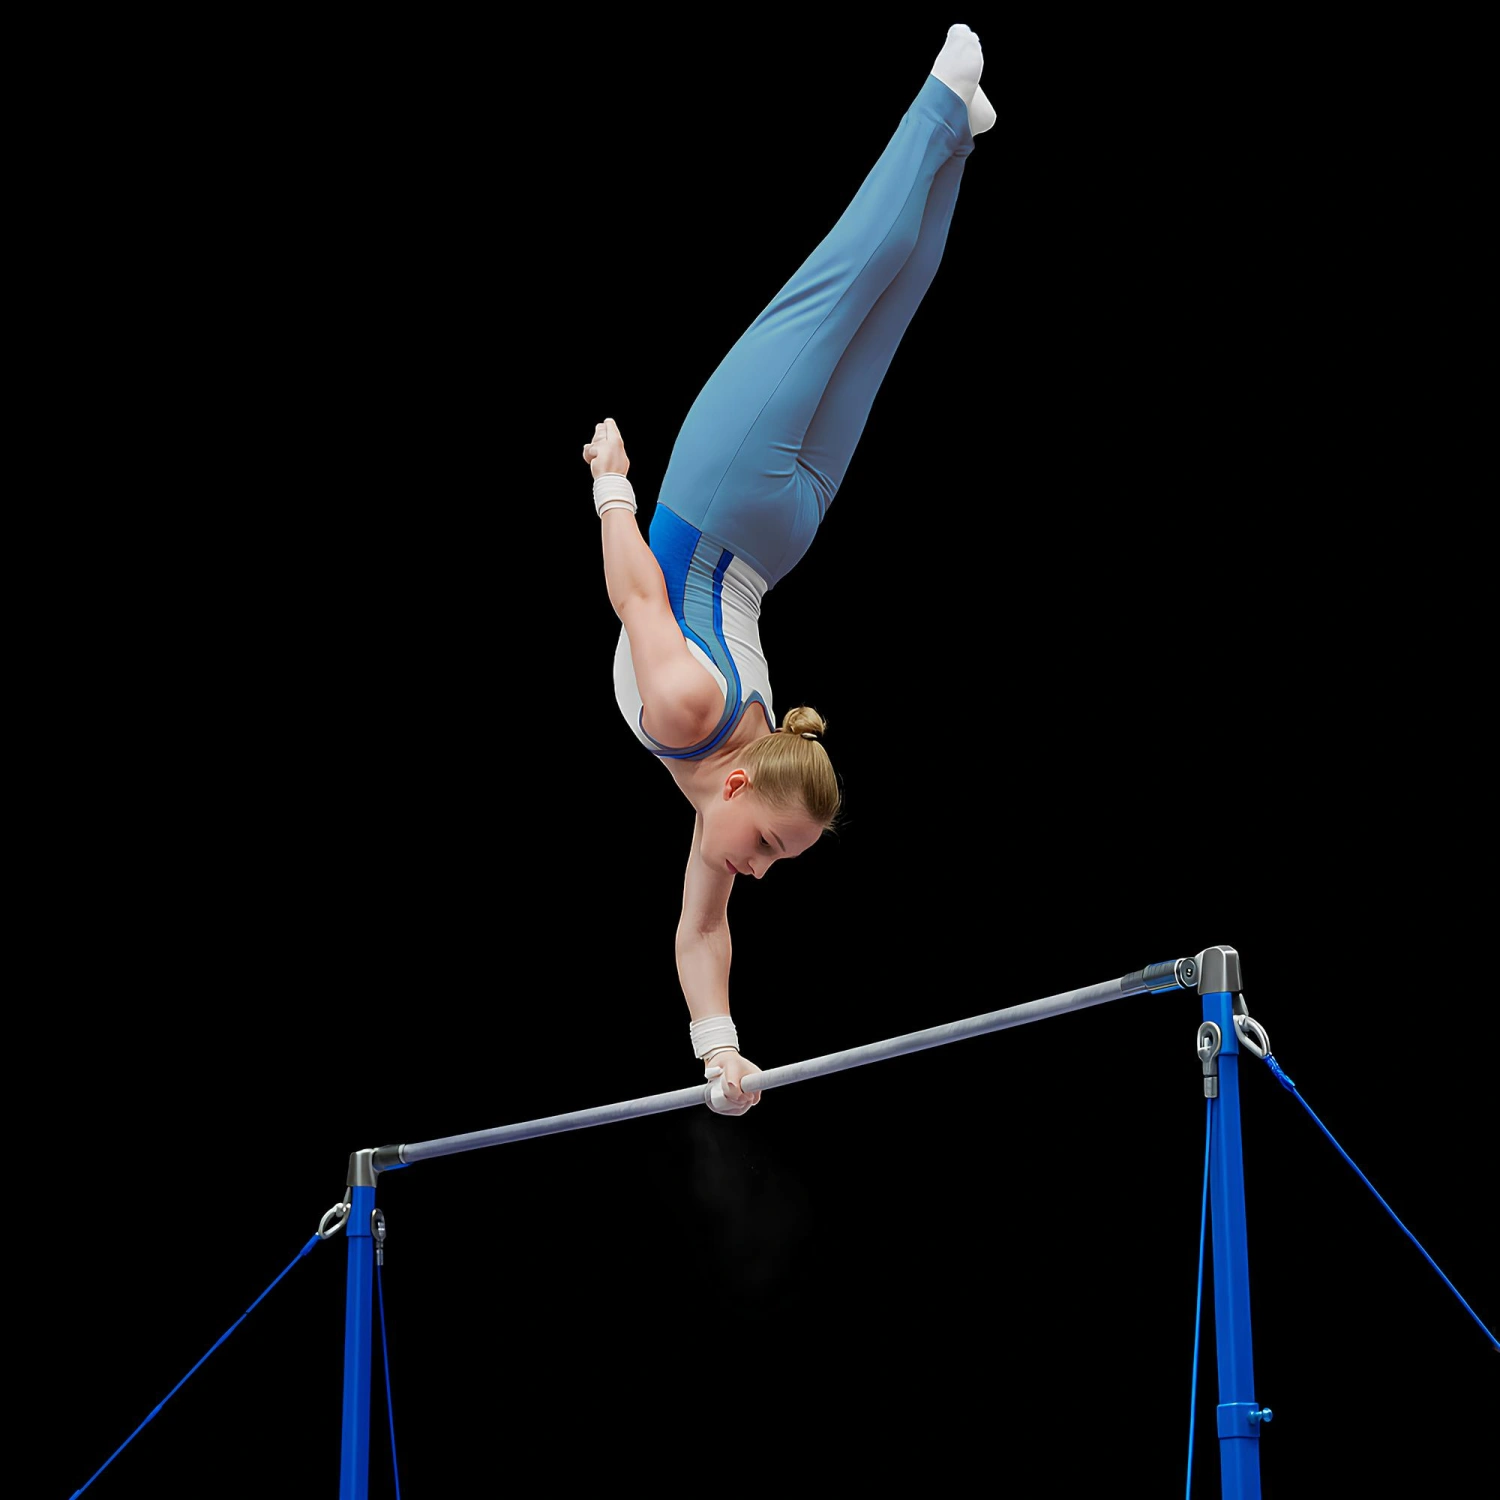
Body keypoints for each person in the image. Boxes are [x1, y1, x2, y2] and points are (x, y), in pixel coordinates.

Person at [584, 26, 993, 1116]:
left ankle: (952, 126)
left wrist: (718, 1053)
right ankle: (942, 117)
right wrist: (619, 492)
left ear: (741, 784)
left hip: (773, 524)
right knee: (853, 299)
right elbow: (634, 593)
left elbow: (698, 933)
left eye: (768, 851)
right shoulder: (696, 732)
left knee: (866, 303)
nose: (757, 870)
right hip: (730, 503)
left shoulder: (711, 734)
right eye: (773, 852)